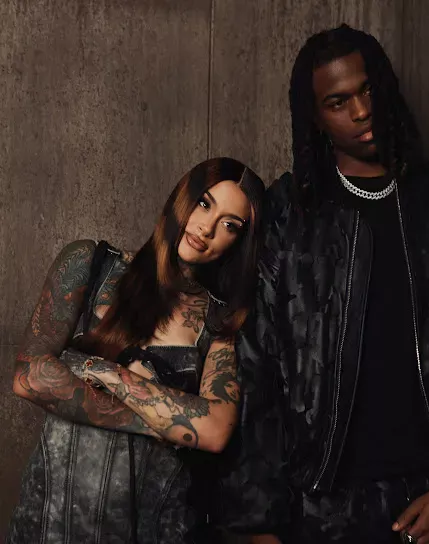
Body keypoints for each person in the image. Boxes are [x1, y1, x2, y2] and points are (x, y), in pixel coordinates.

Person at [217, 25, 429, 544]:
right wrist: (259, 523)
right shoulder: (290, 213)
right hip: (317, 509)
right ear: (315, 117)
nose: (362, 111)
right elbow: (255, 370)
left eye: (369, 90)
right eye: (338, 102)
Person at [9, 157, 265, 544]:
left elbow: (214, 431)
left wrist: (103, 371)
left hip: (154, 528)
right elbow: (30, 378)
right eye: (204, 203)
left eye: (230, 225)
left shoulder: (220, 322)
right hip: (53, 522)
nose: (207, 228)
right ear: (184, 196)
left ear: (240, 242)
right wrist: (164, 422)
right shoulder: (89, 264)